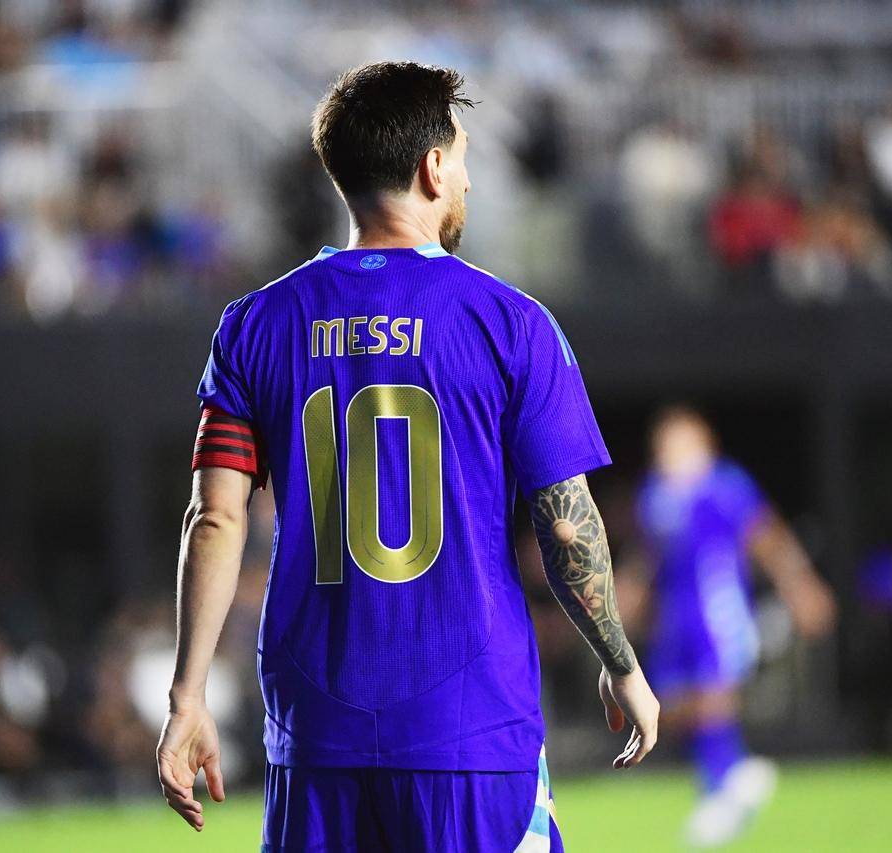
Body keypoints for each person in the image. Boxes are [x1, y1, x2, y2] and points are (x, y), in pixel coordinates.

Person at [156, 61, 659, 852]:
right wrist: (620, 663)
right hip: (470, 729)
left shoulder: (253, 325)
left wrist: (188, 696)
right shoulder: (512, 322)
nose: (468, 179)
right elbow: (566, 526)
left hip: (316, 731)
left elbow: (214, 516)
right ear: (431, 167)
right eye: (462, 158)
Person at [628, 405, 835, 847]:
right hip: (675, 617)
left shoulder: (726, 486)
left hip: (717, 609)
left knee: (714, 695)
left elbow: (767, 539)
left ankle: (722, 786)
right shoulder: (653, 497)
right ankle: (734, 775)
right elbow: (648, 559)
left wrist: (801, 588)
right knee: (669, 705)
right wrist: (631, 597)